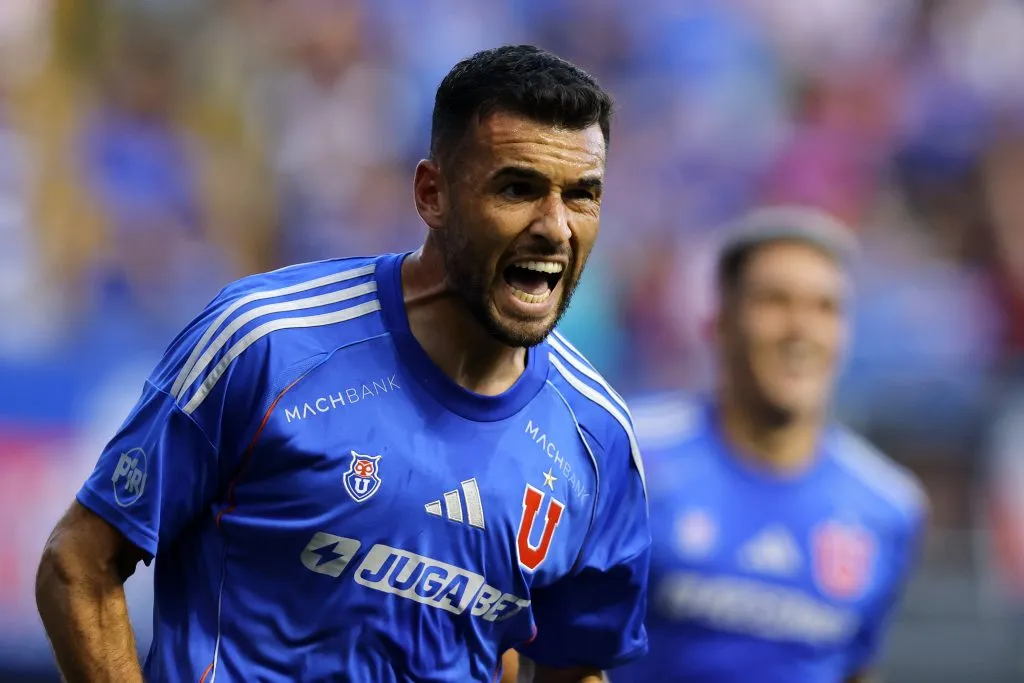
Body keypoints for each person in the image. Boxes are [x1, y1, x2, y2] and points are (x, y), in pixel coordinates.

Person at [35, 45, 650, 683]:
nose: (555, 227)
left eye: (582, 196)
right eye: (518, 188)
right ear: (432, 194)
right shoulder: (268, 345)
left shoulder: (597, 438)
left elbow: (575, 665)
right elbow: (78, 563)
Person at [613, 207, 927, 683]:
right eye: (775, 302)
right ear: (718, 326)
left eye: (825, 308)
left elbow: (857, 668)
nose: (800, 330)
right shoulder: (630, 457)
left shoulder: (889, 506)